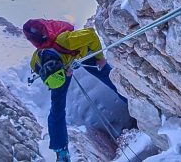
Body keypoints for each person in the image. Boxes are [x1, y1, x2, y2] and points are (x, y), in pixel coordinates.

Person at [23, 18, 126, 162]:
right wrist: (64, 72)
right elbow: (46, 77)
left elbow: (90, 35)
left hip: (81, 53)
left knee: (109, 77)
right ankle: (61, 150)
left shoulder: (67, 41)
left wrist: (100, 58)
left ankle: (132, 99)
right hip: (61, 69)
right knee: (57, 106)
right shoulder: (36, 62)